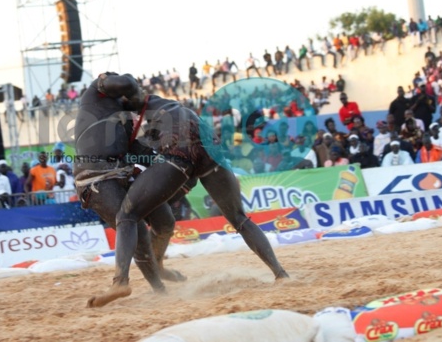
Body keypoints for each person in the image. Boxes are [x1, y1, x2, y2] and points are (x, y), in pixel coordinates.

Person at [83, 73, 288, 308]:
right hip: (208, 145)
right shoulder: (166, 111)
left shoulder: (145, 106)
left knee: (127, 215)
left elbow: (129, 86)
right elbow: (183, 181)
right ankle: (280, 273)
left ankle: (120, 281)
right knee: (240, 219)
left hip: (180, 146)